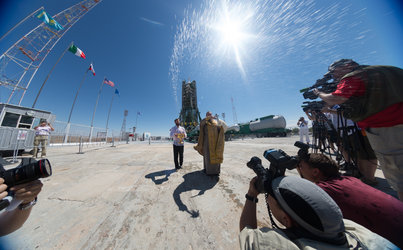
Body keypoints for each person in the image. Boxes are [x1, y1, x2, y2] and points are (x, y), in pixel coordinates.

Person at [313, 59, 403, 200]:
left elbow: (336, 98)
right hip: (395, 122)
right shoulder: (383, 70)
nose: (334, 76)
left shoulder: (353, 76)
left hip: (386, 126)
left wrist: (319, 93)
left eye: (333, 72)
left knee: (398, 173)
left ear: (346, 66)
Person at [239, 175, 396, 249]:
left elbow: (247, 232)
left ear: (286, 221)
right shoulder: (350, 227)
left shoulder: (277, 246)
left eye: (269, 199)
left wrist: (252, 195)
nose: (268, 200)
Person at [296, 152, 403, 248]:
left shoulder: (324, 191)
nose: (299, 169)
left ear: (315, 172)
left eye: (301, 167)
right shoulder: (350, 179)